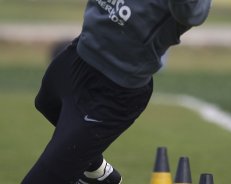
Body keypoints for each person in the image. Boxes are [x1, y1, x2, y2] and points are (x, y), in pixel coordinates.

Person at [22, 0, 211, 183]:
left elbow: (191, 13)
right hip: (80, 54)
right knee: (47, 102)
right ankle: (96, 172)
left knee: (43, 176)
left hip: (113, 92)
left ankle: (86, 168)